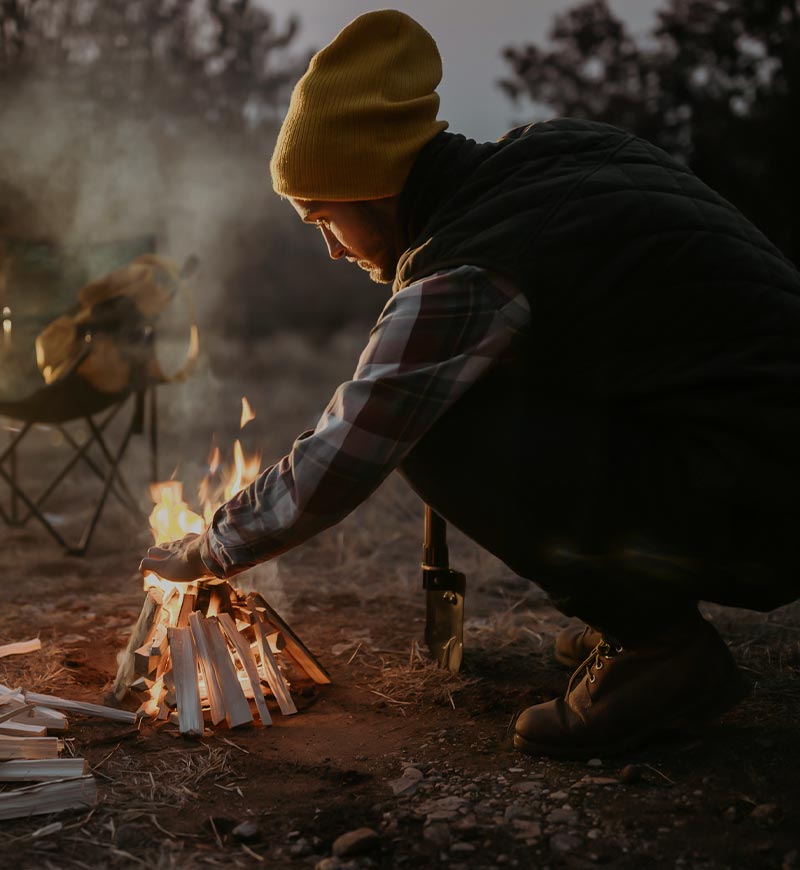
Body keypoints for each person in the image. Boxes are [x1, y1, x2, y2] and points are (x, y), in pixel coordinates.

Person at [140, 10, 800, 758]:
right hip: (758, 455)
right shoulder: (557, 153)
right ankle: (638, 610)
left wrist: (213, 544)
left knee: (437, 431)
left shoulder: (470, 264)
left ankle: (663, 652)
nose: (328, 249)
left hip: (771, 500)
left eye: (323, 218)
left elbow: (352, 441)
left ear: (370, 185)